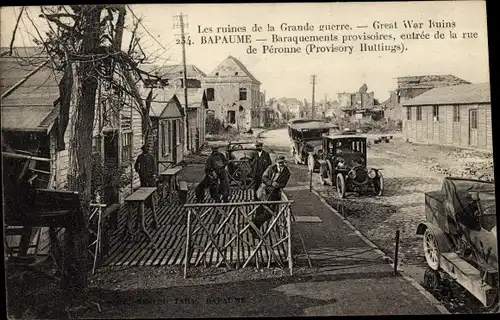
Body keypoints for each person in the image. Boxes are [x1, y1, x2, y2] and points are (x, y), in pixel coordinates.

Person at [251, 155, 291, 233]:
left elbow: (284, 184)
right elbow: (264, 178)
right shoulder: (271, 168)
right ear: (276, 162)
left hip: (274, 195)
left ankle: (252, 222)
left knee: (269, 214)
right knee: (260, 211)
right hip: (264, 192)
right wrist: (271, 183)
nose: (281, 164)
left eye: (282, 162)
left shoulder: (286, 172)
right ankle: (255, 231)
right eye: (279, 163)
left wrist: (278, 185)